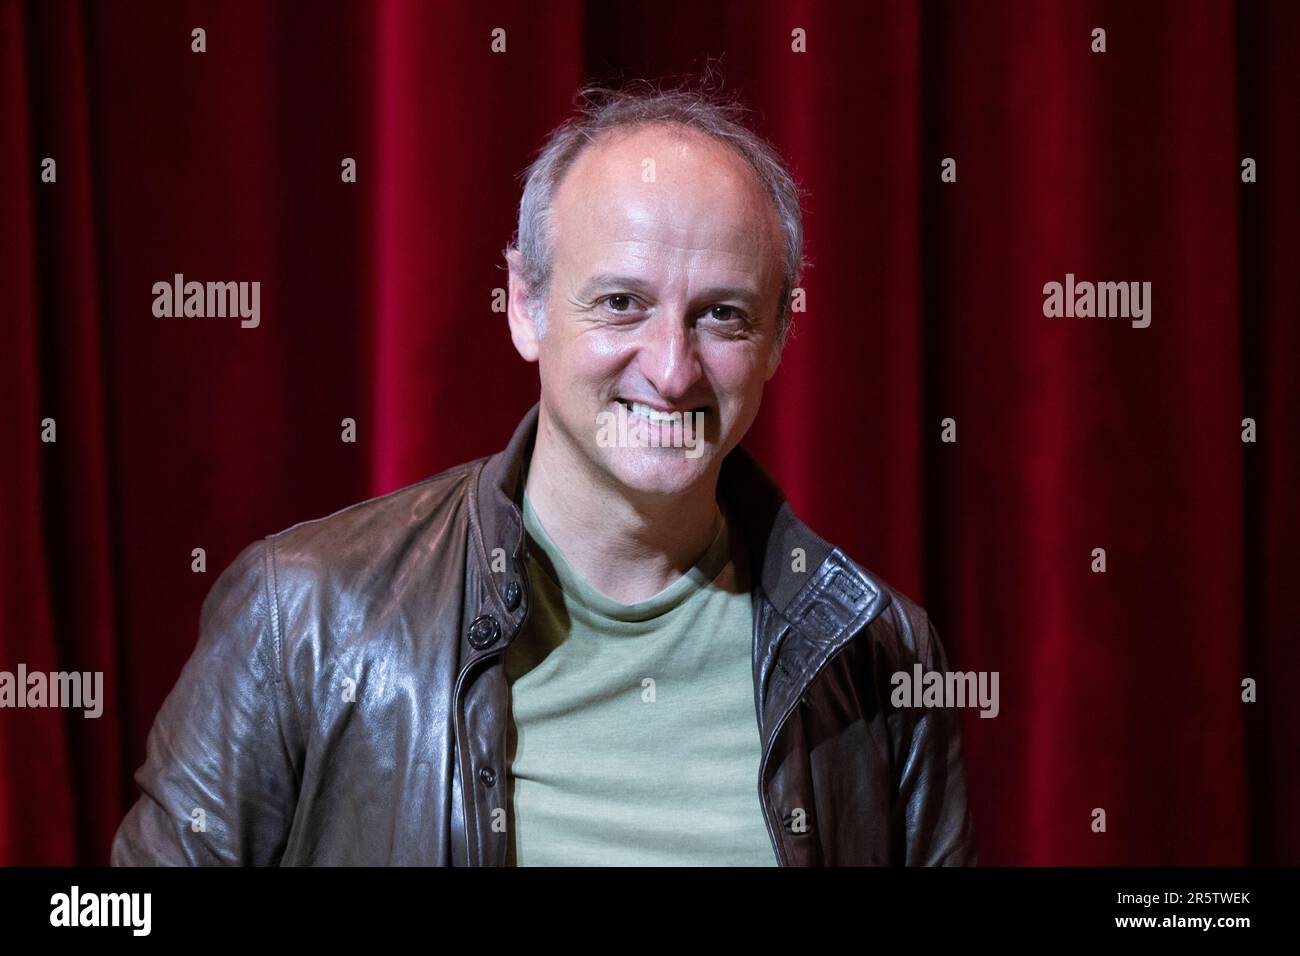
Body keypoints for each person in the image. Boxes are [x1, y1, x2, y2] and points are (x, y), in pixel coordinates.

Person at [111, 80, 977, 866]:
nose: (671, 369)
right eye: (620, 303)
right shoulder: (302, 616)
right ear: (525, 305)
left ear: (779, 339)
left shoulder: (877, 653)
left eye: (722, 315)